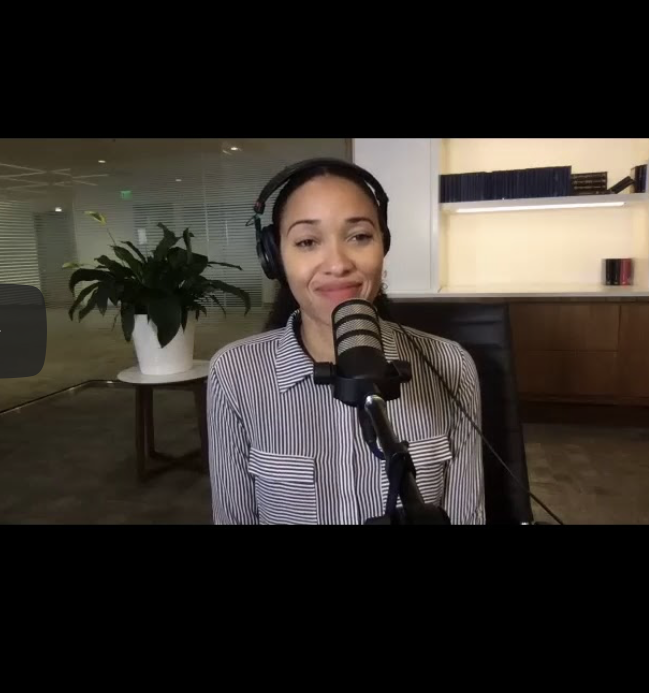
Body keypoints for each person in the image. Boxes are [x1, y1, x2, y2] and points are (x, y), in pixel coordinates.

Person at [206, 158, 485, 524]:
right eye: (307, 241)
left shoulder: (452, 365)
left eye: (359, 237)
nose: (337, 264)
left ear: (384, 244)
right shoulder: (234, 374)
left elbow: (467, 516)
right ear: (275, 258)